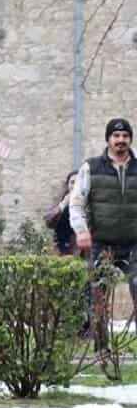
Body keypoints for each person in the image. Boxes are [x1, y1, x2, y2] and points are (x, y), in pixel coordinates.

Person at [69, 118, 137, 323]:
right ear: (108, 139)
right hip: (102, 242)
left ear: (130, 139)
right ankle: (101, 350)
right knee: (97, 295)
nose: (121, 140)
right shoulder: (91, 167)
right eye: (116, 136)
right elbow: (76, 202)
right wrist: (81, 230)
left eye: (125, 136)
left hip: (134, 242)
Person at [45, 171, 78, 256]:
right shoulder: (61, 200)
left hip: (80, 250)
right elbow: (49, 222)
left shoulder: (89, 202)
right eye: (72, 182)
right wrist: (62, 205)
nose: (75, 186)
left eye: (79, 182)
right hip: (61, 250)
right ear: (67, 185)